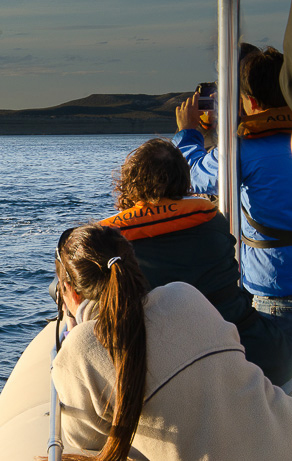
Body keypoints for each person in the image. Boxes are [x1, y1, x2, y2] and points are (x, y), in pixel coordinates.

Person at [52, 224, 292, 461]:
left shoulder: (79, 352)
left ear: (70, 292)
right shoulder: (184, 295)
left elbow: (88, 447)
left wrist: (75, 334)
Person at [97, 138, 292, 387]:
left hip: (181, 369)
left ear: (128, 185)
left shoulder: (114, 243)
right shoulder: (215, 224)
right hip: (256, 353)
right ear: (186, 183)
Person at [173, 46, 292, 341]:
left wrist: (189, 133)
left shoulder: (243, 149)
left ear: (248, 100)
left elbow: (192, 176)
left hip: (276, 293)